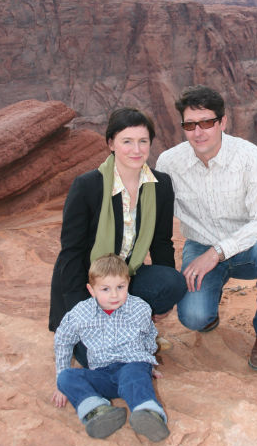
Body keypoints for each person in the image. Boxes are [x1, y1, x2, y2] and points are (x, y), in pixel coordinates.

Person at [156, 85, 257, 371]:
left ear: (223, 122)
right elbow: (156, 219)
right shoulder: (169, 163)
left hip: (249, 246)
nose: (198, 132)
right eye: (190, 125)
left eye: (207, 122)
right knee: (194, 318)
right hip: (200, 245)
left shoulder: (249, 156)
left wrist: (216, 253)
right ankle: (209, 305)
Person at [49, 107, 187, 366]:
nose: (136, 149)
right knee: (99, 359)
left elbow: (161, 243)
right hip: (89, 284)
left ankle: (135, 324)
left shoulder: (160, 185)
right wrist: (80, 310)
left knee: (173, 283)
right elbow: (71, 253)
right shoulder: (87, 186)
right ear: (111, 143)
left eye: (143, 141)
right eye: (127, 141)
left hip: (126, 278)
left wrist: (161, 300)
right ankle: (116, 332)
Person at [52, 253, 170, 442]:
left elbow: (149, 335)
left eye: (120, 287)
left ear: (128, 283)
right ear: (91, 290)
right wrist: (60, 378)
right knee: (66, 377)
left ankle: (148, 413)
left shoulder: (140, 308)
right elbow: (63, 340)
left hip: (131, 366)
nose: (114, 295)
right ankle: (98, 411)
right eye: (105, 289)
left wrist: (149, 364)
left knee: (135, 374)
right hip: (102, 375)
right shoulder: (81, 313)